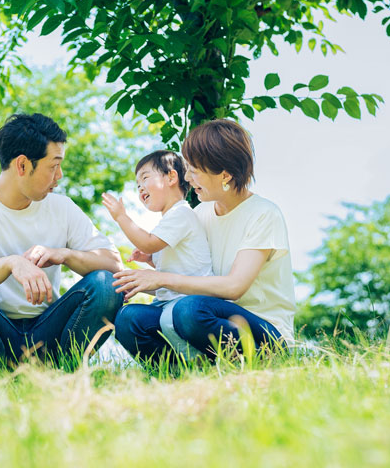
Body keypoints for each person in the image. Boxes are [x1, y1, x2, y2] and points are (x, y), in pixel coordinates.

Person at [0, 113, 124, 376]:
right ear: (22, 165)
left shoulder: (62, 207)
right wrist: (12, 263)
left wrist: (64, 254)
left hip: (51, 331)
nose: (59, 175)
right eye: (53, 166)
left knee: (106, 285)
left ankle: (66, 377)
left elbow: (115, 266)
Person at [113, 119, 297, 362]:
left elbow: (234, 287)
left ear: (225, 175)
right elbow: (193, 275)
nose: (187, 178)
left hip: (262, 331)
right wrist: (149, 271)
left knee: (188, 310)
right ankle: (183, 372)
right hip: (205, 317)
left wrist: (160, 278)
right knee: (129, 318)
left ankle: (258, 361)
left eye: (195, 171)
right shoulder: (200, 214)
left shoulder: (263, 214)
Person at [101, 150, 212, 361]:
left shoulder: (181, 213)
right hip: (167, 305)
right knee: (127, 318)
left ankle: (198, 360)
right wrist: (150, 261)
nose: (140, 188)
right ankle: (171, 368)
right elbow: (170, 272)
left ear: (171, 177)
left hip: (189, 305)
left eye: (145, 178)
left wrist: (121, 217)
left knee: (167, 316)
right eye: (137, 185)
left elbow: (148, 242)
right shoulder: (169, 221)